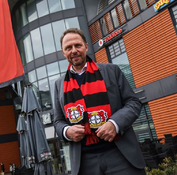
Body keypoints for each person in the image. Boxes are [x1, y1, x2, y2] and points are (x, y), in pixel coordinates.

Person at [53, 28, 145, 175]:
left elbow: (133, 102)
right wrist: (66, 131)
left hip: (120, 155)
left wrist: (114, 123)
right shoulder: (59, 85)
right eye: (68, 48)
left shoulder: (112, 71)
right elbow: (58, 121)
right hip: (84, 163)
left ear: (86, 46)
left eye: (78, 45)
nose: (74, 51)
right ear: (63, 53)